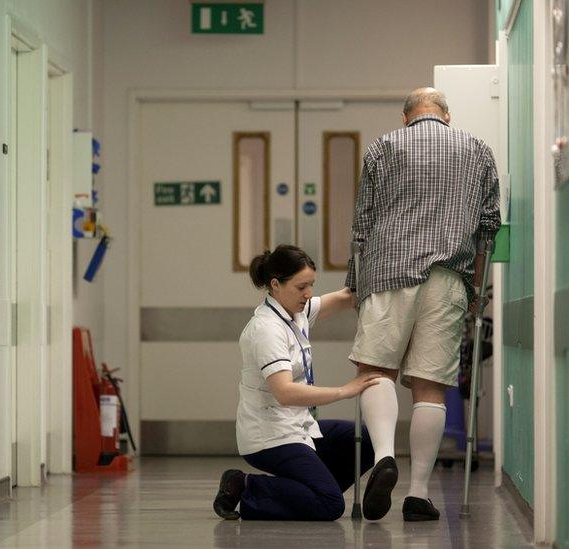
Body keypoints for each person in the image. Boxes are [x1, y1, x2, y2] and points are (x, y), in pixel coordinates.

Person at [347, 87, 501, 522]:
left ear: (405, 118)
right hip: (449, 278)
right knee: (429, 386)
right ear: (447, 117)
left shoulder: (383, 146)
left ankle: (382, 458)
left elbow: (362, 223)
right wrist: (475, 290)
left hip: (389, 272)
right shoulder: (477, 150)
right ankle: (417, 494)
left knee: (375, 371)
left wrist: (355, 284)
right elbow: (489, 228)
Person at [213, 245, 383, 521]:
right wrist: (345, 390)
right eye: (301, 286)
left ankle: (308, 491)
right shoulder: (267, 329)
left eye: (311, 285)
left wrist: (377, 273)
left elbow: (344, 298)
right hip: (269, 437)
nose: (308, 294)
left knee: (367, 439)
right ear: (275, 285)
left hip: (299, 427)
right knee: (330, 505)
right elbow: (285, 392)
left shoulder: (295, 312)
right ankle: (245, 486)